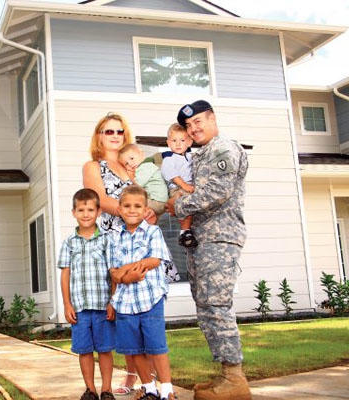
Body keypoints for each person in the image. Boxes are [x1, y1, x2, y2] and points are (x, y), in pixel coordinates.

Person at [165, 100, 251, 400]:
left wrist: (178, 206)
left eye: (198, 121)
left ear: (212, 118)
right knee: (206, 308)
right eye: (188, 126)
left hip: (219, 239)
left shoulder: (223, 148)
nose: (194, 128)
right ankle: (225, 377)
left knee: (216, 305)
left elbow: (217, 192)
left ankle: (235, 380)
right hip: (202, 240)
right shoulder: (201, 154)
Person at [82, 113, 157, 394]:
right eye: (108, 131)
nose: (114, 135)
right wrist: (133, 213)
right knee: (120, 311)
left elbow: (149, 196)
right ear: (99, 135)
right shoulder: (93, 166)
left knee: (141, 313)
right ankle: (128, 377)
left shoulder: (134, 166)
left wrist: (148, 211)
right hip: (113, 244)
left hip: (141, 242)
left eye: (119, 131)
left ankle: (147, 381)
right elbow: (99, 199)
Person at [107, 185, 176, 400]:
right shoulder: (113, 237)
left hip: (150, 298)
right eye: (127, 206)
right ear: (119, 208)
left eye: (137, 206)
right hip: (124, 302)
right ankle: (149, 388)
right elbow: (114, 273)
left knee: (156, 346)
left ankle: (166, 389)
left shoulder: (153, 231)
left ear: (145, 208)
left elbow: (153, 260)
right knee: (133, 348)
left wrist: (125, 269)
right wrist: (128, 275)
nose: (132, 210)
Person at [58, 188, 116, 400]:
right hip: (80, 308)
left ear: (98, 211)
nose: (86, 214)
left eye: (90, 209)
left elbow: (113, 274)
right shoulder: (69, 243)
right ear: (74, 212)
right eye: (81, 210)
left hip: (103, 306)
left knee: (105, 349)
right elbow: (65, 274)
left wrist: (113, 302)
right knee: (84, 350)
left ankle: (106, 389)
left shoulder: (106, 240)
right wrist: (66, 304)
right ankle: (90, 389)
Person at [161, 123, 197, 248]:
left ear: (189, 142)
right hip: (177, 188)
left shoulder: (190, 157)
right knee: (185, 204)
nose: (178, 144)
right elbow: (172, 175)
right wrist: (185, 186)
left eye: (182, 140)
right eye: (174, 140)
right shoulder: (169, 158)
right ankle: (184, 232)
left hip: (189, 187)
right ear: (168, 143)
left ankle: (188, 231)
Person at [117, 143, 168, 219]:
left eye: (132, 158)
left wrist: (130, 175)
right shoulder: (146, 166)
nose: (130, 163)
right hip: (158, 201)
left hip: (157, 202)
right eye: (126, 163)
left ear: (142, 154)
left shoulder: (145, 167)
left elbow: (137, 185)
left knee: (131, 203)